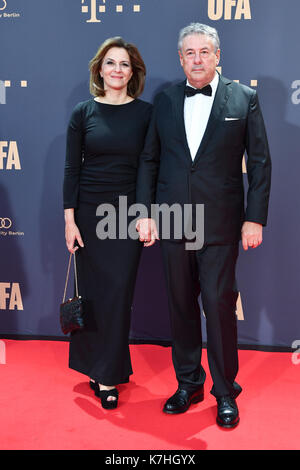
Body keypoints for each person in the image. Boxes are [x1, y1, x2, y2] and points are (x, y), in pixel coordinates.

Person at [136, 23, 271, 427]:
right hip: (173, 219)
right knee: (180, 307)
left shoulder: (244, 98)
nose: (197, 59)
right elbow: (149, 160)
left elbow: (260, 163)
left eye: (204, 52)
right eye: (189, 53)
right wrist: (143, 213)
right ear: (180, 59)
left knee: (218, 306)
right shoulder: (163, 101)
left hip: (220, 223)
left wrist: (254, 218)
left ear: (217, 56)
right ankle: (188, 382)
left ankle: (226, 391)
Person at [63, 37, 152, 409]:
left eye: (125, 64)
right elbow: (72, 169)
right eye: (111, 63)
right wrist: (69, 220)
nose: (117, 69)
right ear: (100, 69)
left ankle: (109, 370)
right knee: (95, 295)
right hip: (88, 213)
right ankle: (98, 372)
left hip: (126, 217)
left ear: (134, 73)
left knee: (118, 295)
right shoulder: (83, 113)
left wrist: (146, 214)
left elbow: (148, 167)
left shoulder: (146, 114)